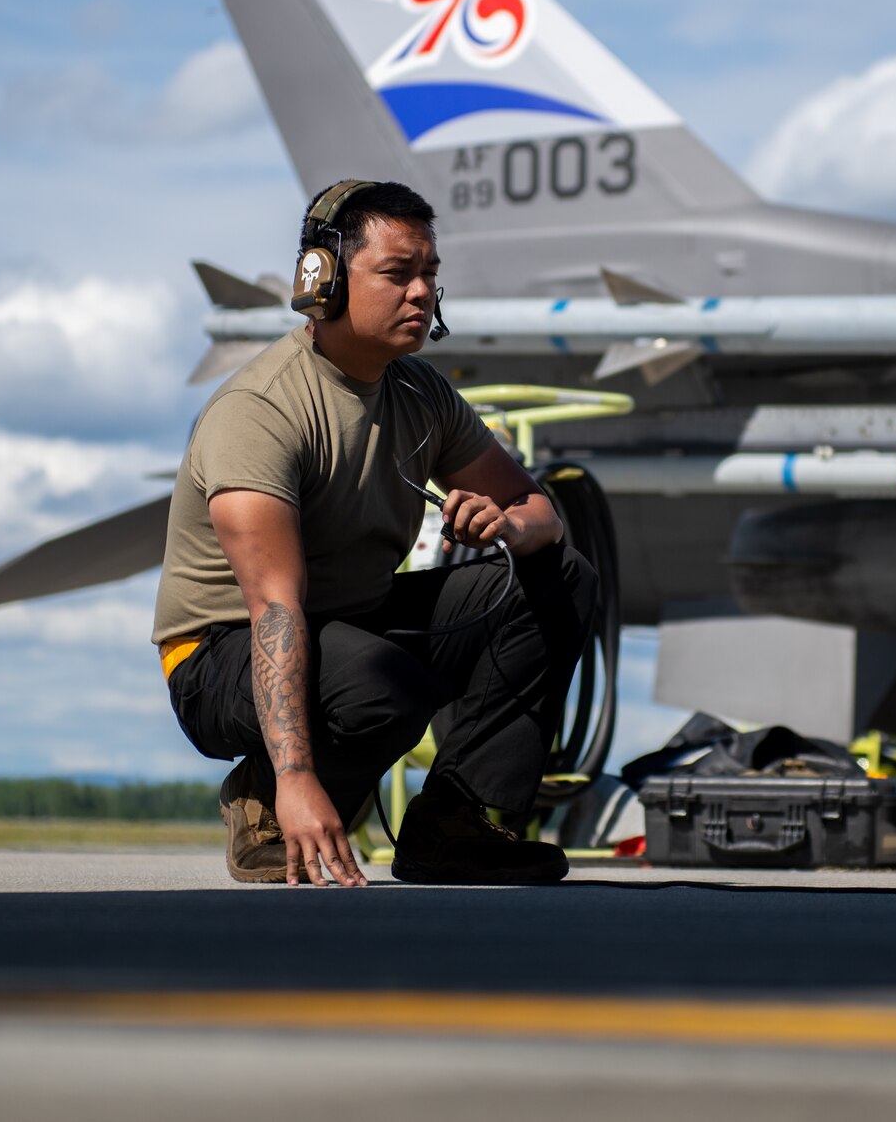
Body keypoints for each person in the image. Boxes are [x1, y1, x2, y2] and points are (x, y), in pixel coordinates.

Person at [152, 180, 596, 886]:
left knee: (559, 575)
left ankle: (458, 822)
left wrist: (509, 522)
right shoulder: (260, 409)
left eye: (430, 274)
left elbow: (540, 510)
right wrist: (297, 776)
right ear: (322, 280)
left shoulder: (422, 396)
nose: (422, 293)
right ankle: (263, 801)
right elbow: (274, 606)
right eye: (398, 273)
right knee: (383, 684)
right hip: (220, 653)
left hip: (349, 623)